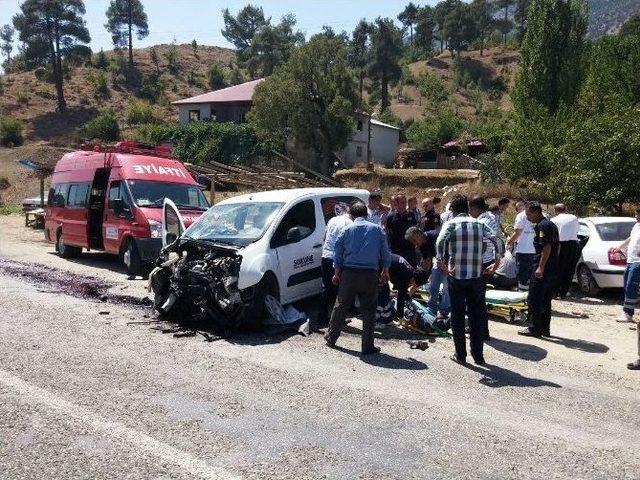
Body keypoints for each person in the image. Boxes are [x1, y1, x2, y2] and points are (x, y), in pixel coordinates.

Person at [436, 195, 502, 365]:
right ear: (467, 207)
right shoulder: (480, 224)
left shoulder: (450, 224)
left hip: (456, 276)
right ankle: (478, 356)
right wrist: (497, 261)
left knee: (457, 315)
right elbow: (496, 240)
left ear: (453, 210)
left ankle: (461, 355)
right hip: (476, 277)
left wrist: (441, 262)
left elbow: (440, 242)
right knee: (476, 316)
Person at [326, 201, 391, 355]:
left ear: (352, 215)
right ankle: (367, 347)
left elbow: (338, 252)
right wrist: (385, 270)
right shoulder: (377, 230)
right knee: (369, 310)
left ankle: (331, 338)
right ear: (366, 215)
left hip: (349, 274)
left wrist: (336, 272)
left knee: (341, 306)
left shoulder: (346, 230)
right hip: (370, 275)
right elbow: (385, 252)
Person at [519, 201, 560, 338]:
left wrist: (541, 267)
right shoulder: (550, 224)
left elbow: (546, 247)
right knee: (545, 299)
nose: (528, 217)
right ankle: (544, 329)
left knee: (534, 298)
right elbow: (555, 247)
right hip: (552, 266)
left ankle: (534, 328)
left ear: (536, 212)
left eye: (528, 214)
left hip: (542, 267)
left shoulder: (543, 226)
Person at [469, 196, 501, 340]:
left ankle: (480, 331)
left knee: (476, 299)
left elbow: (481, 245)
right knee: (478, 298)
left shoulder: (481, 222)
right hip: (488, 261)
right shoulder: (491, 218)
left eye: (470, 209)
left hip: (480, 263)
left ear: (474, 208)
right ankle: (480, 329)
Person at [317, 205, 353, 329]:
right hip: (338, 259)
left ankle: (322, 318)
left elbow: (324, 237)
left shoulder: (332, 220)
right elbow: (347, 243)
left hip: (326, 256)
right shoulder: (349, 222)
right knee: (340, 290)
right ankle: (338, 319)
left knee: (326, 289)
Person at [405, 226, 449, 319]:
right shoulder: (422, 246)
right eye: (412, 242)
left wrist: (446, 267)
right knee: (433, 284)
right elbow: (426, 264)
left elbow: (449, 249)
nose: (415, 244)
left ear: (418, 234)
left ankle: (443, 311)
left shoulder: (435, 235)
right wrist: (418, 281)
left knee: (446, 287)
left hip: (449, 260)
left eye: (414, 240)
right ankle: (432, 308)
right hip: (439, 261)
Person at [613, 204, 640, 325]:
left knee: (631, 285)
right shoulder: (636, 226)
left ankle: (628, 313)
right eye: (635, 214)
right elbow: (631, 238)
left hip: (638, 261)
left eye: (637, 214)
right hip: (631, 260)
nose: (635, 216)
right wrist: (620, 246)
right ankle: (629, 310)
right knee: (627, 285)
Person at [551, 203, 580, 298]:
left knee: (557, 269)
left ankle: (554, 292)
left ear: (555, 211)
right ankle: (564, 292)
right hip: (572, 244)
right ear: (565, 209)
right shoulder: (573, 217)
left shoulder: (554, 220)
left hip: (560, 245)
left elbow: (553, 234)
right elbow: (577, 230)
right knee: (569, 269)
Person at [507, 200, 536, 291]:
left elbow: (518, 232)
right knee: (533, 272)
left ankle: (522, 292)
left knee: (523, 272)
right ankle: (531, 291)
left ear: (525, 205)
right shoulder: (541, 215)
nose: (519, 208)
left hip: (524, 249)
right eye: (517, 207)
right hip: (536, 249)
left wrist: (510, 242)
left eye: (521, 205)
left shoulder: (520, 216)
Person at [385, 194, 418, 266]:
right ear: (396, 203)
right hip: (396, 250)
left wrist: (416, 243)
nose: (405, 204)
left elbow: (415, 230)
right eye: (402, 202)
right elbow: (388, 233)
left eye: (405, 202)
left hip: (410, 249)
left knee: (412, 271)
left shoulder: (411, 215)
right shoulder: (391, 217)